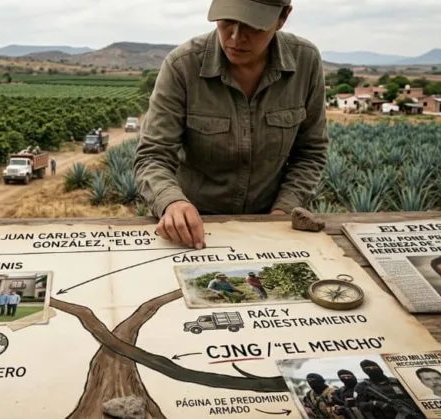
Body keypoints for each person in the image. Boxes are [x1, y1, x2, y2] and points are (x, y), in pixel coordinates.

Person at [133, 0, 328, 250]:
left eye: (253, 26)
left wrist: (283, 212)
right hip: (194, 227)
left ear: (282, 18)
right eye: (226, 22)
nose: (236, 37)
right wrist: (172, 203)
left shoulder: (305, 62)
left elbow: (310, 153)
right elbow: (153, 155)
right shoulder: (182, 66)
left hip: (272, 221)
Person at [355, 359, 425, 419]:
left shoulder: (397, 381)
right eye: (368, 369)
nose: (372, 369)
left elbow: (416, 396)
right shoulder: (363, 386)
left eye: (374, 367)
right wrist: (376, 403)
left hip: (412, 412)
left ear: (379, 367)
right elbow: (360, 405)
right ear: (365, 372)